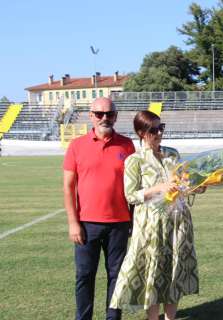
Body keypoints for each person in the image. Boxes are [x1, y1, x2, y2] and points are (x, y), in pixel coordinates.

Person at [109, 111, 205, 320]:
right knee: (151, 273)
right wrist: (158, 188)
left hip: (178, 221)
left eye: (161, 127)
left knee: (174, 269)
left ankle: (170, 318)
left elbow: (183, 184)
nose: (159, 133)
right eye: (154, 130)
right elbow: (131, 195)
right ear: (141, 133)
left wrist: (197, 186)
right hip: (149, 225)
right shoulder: (134, 160)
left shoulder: (173, 154)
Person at [63, 97, 135, 320]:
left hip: (120, 223)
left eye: (110, 114)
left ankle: (113, 318)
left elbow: (135, 184)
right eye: (100, 113)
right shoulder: (76, 145)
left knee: (117, 276)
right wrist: (73, 222)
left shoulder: (127, 144)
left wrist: (133, 219)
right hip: (87, 224)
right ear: (90, 115)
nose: (105, 118)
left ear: (115, 116)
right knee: (84, 275)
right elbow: (68, 187)